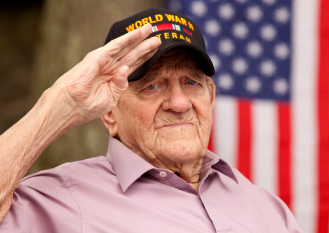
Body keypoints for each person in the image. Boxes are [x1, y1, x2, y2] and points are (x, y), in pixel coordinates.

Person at [0, 7, 302, 233]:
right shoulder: (63, 199)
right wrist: (60, 103)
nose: (179, 103)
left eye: (192, 83)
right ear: (108, 112)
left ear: (210, 98)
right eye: (152, 86)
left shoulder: (269, 209)